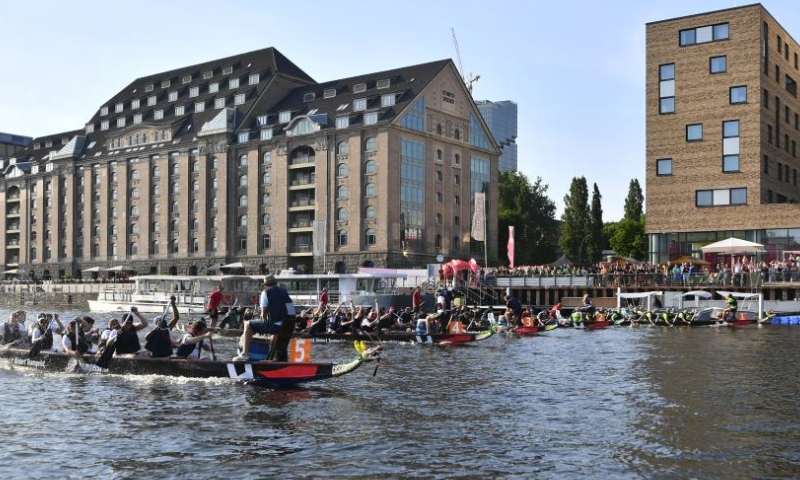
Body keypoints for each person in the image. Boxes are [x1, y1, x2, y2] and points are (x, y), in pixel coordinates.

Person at [233, 274, 296, 362]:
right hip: (289, 325)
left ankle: (244, 354)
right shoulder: (284, 291)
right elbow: (290, 310)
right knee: (276, 333)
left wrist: (261, 319)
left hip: (276, 325)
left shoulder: (265, 292)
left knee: (247, 324)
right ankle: (272, 358)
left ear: (265, 285)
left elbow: (263, 314)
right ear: (275, 283)